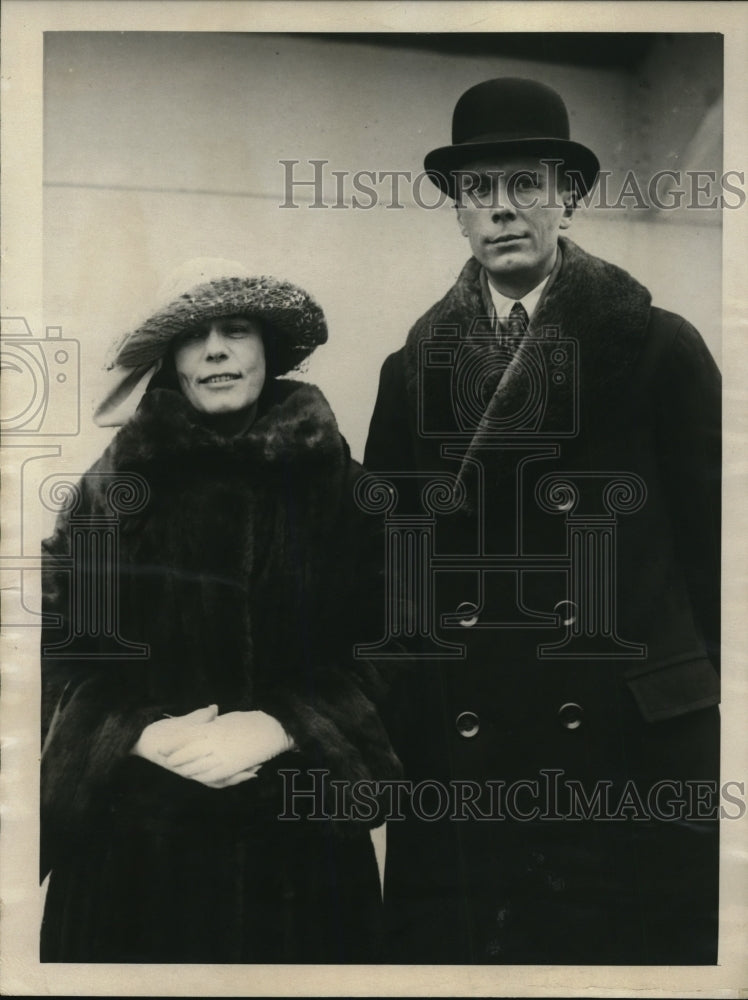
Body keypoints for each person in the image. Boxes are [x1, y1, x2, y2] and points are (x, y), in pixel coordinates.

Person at [365, 78, 720, 964]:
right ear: (455, 212)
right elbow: (389, 572)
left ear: (565, 195)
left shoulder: (658, 347)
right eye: (477, 190)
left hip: (628, 746)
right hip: (466, 755)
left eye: (526, 184)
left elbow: (726, 557)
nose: (503, 210)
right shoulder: (409, 372)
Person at [40, 258, 402, 963]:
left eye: (235, 330)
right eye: (193, 335)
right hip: (133, 853)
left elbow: (403, 643)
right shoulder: (110, 490)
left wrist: (285, 724)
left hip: (300, 857)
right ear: (171, 360)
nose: (214, 350)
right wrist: (133, 735)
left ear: (267, 349)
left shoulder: (350, 495)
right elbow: (54, 645)